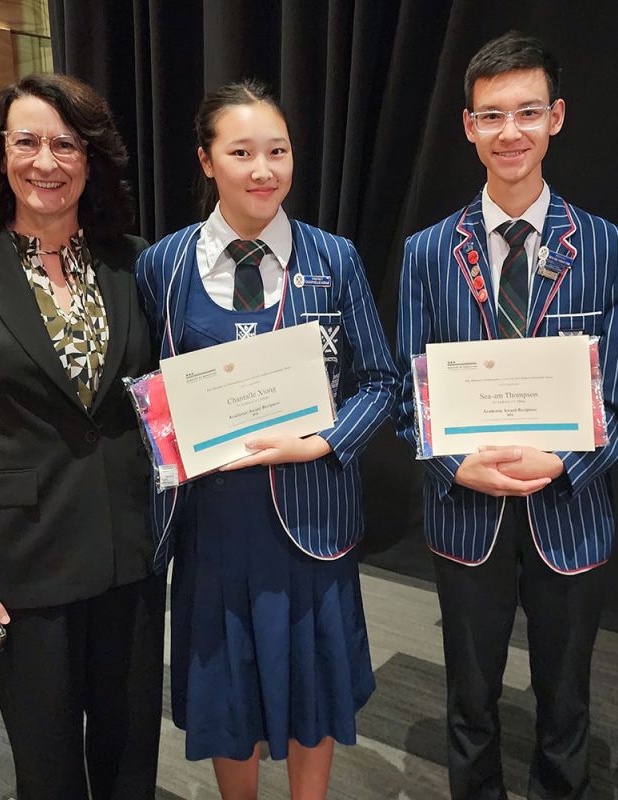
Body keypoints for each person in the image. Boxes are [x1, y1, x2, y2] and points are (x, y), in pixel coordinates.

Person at [135, 80, 397, 800]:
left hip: (311, 523)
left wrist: (322, 442)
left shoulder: (333, 258)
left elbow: (382, 384)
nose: (264, 169)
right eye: (242, 151)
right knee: (229, 694)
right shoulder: (164, 264)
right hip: (213, 527)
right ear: (205, 160)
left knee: (313, 686)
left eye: (277, 151)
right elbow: (152, 394)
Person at [395, 31, 618, 800]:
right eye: (491, 115)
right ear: (467, 126)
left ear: (556, 118)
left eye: (527, 112)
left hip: (570, 509)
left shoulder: (608, 248)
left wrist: (566, 462)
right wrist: (449, 461)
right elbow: (409, 392)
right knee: (470, 698)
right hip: (466, 511)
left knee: (565, 700)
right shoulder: (429, 253)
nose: (510, 132)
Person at [0, 74, 165, 799]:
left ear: (90, 160)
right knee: (46, 760)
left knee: (130, 753)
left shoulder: (134, 261)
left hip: (131, 549)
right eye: (27, 142)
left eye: (65, 144)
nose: (46, 162)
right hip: (23, 557)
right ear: (2, 154)